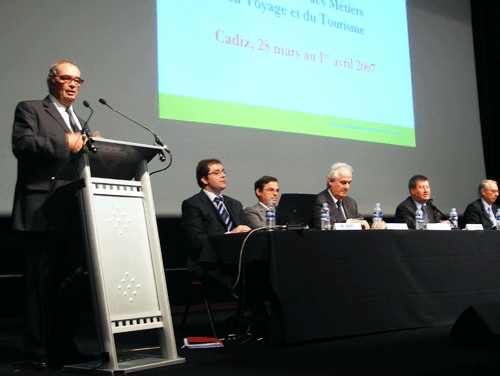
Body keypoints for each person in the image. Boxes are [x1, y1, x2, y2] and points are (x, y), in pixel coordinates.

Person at [11, 60, 95, 368]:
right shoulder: (31, 109)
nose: (73, 84)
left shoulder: (82, 120)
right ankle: (38, 350)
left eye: (78, 80)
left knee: (69, 286)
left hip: (74, 213)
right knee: (40, 286)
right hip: (40, 211)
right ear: (52, 80)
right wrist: (65, 142)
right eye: (66, 78)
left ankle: (64, 345)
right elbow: (22, 145)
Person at [181, 159, 251, 279]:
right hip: (211, 262)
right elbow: (197, 240)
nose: (223, 175)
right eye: (216, 172)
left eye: (223, 171)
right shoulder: (193, 204)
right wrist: (229, 235)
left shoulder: (235, 204)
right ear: (204, 179)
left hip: (238, 259)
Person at [313, 162, 369, 229]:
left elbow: (361, 222)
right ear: (330, 181)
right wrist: (349, 222)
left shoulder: (351, 202)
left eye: (349, 183)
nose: (347, 187)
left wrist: (375, 225)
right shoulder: (319, 201)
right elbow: (327, 226)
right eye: (343, 183)